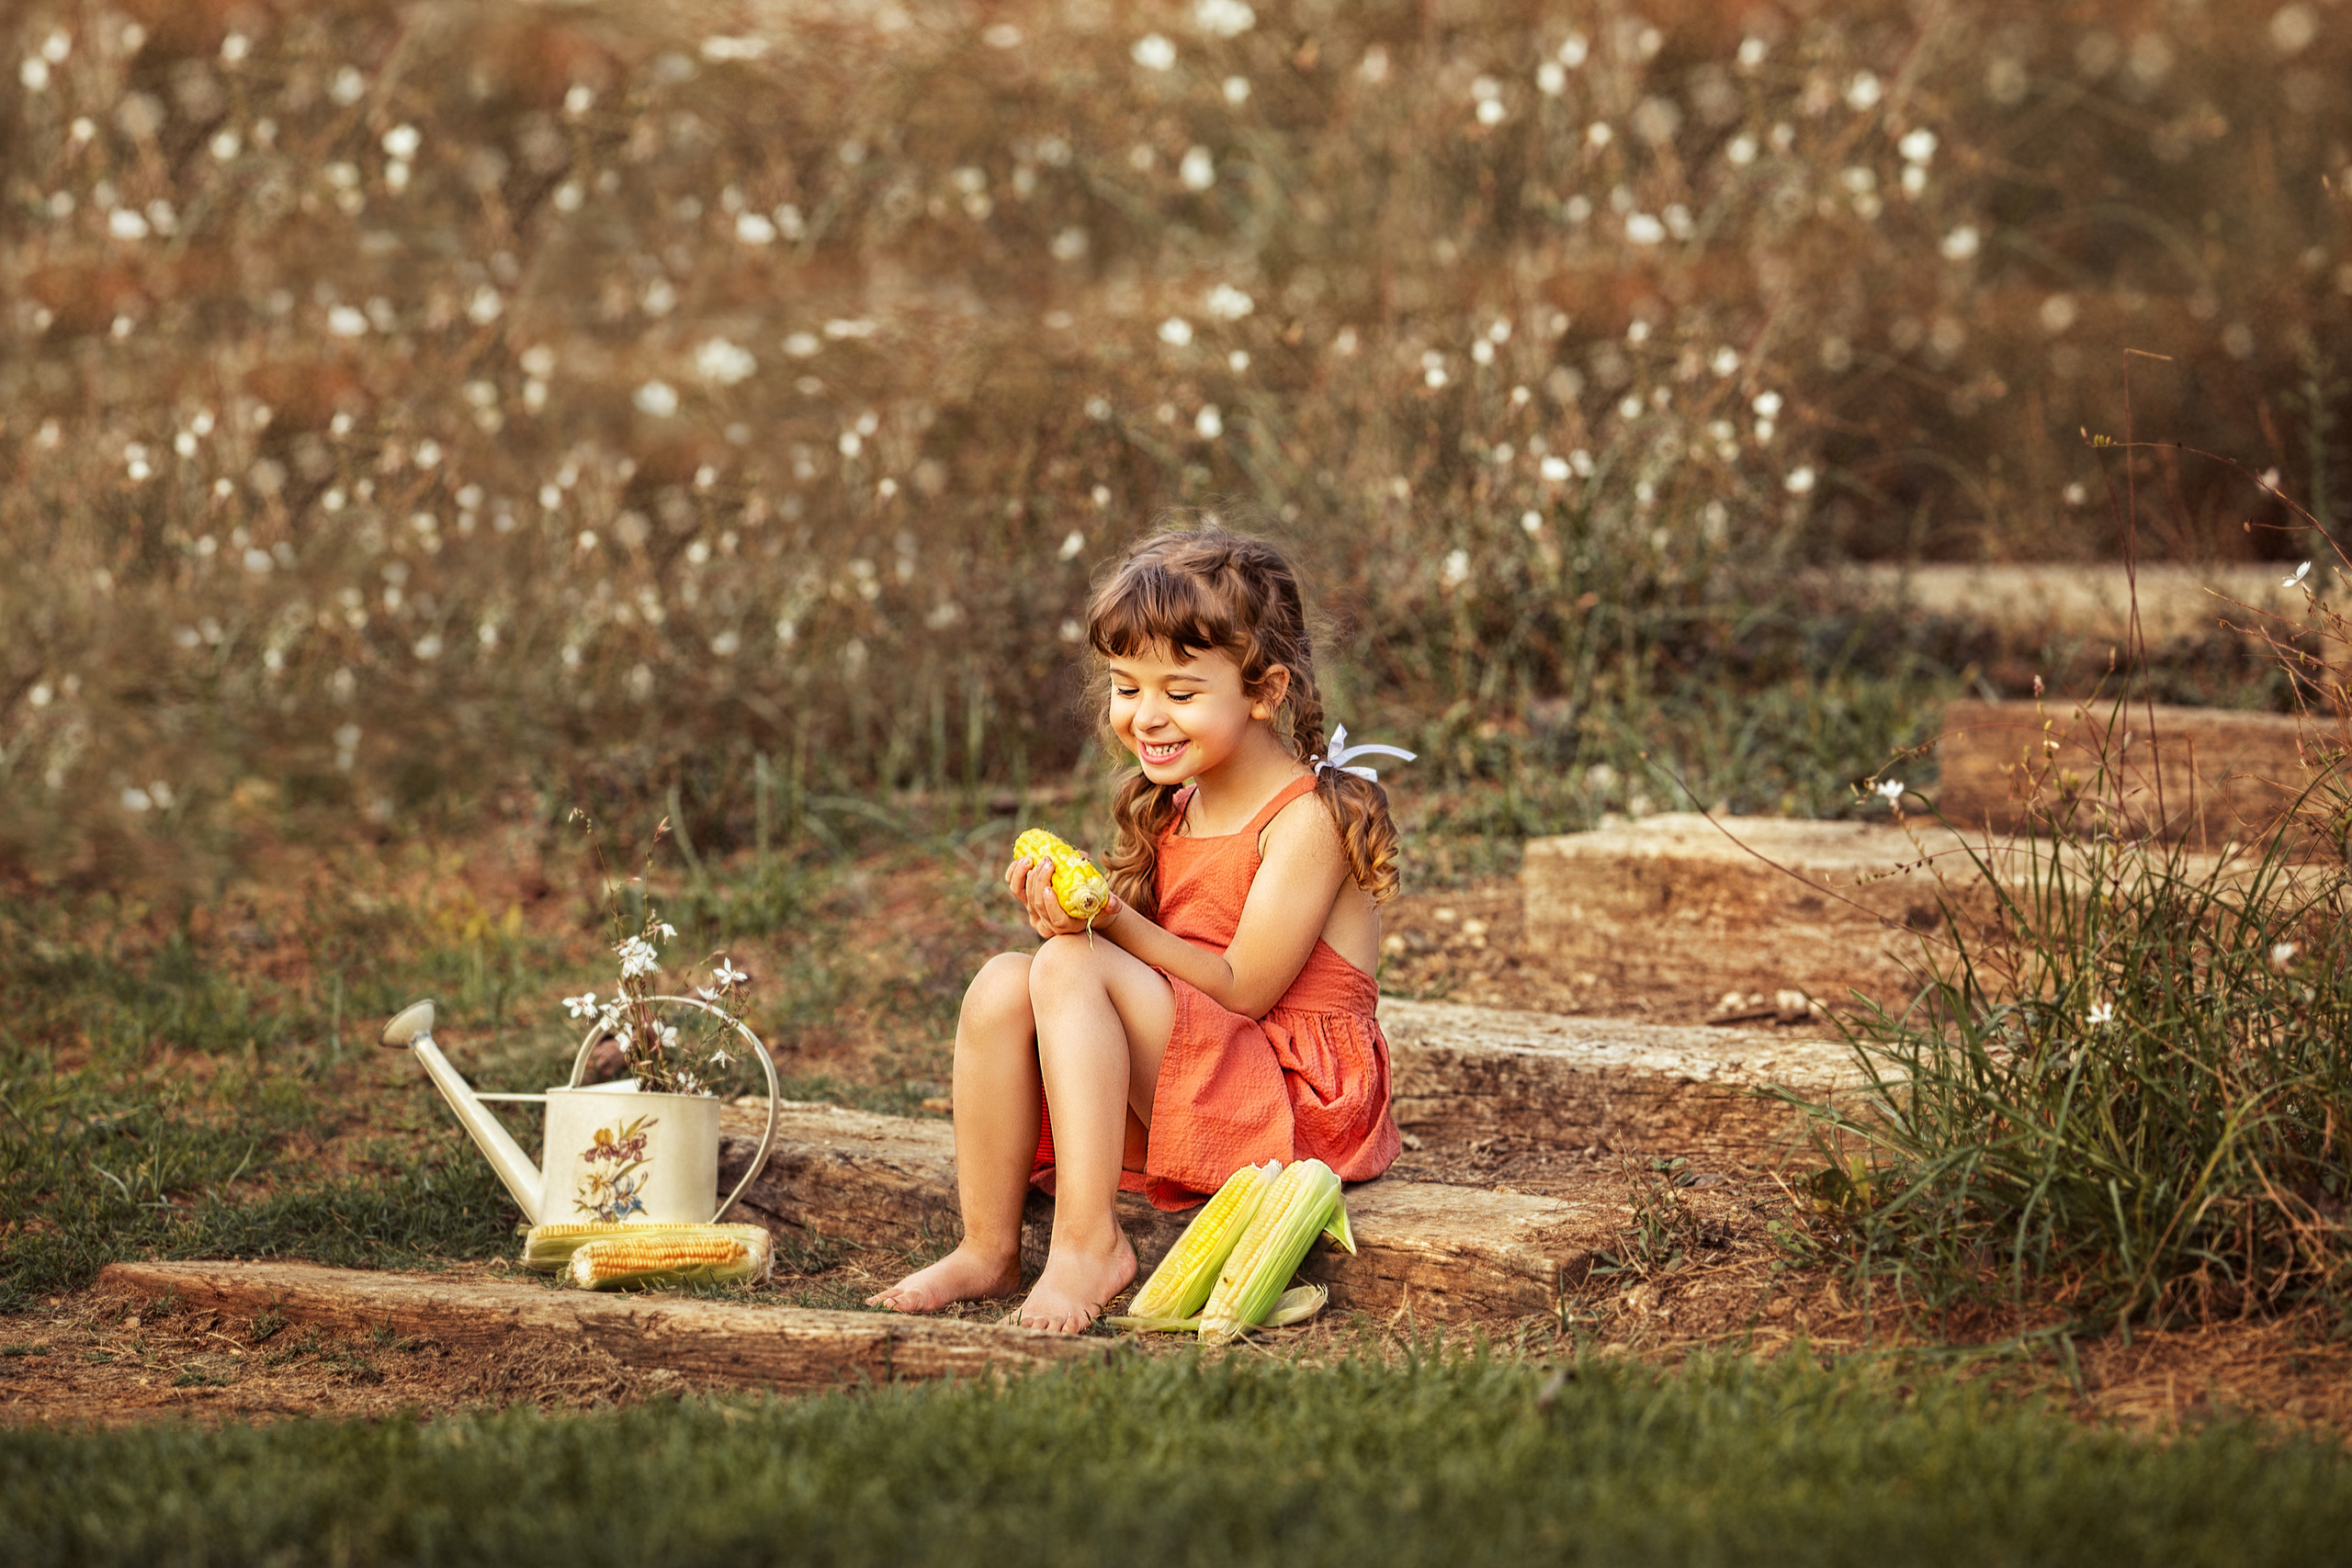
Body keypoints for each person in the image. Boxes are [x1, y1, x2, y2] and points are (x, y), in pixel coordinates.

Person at [868, 522, 1408, 1332]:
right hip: (1211, 1068)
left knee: (1070, 966)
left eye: (1180, 693)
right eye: (1127, 686)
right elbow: (1143, 986)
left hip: (1295, 1103)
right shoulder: (1178, 802)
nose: (1146, 716)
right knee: (1002, 984)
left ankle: (1089, 1242)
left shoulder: (1308, 819)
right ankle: (988, 1245)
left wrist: (1109, 924)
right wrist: (1069, 919)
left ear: (1264, 690)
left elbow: (1245, 989)